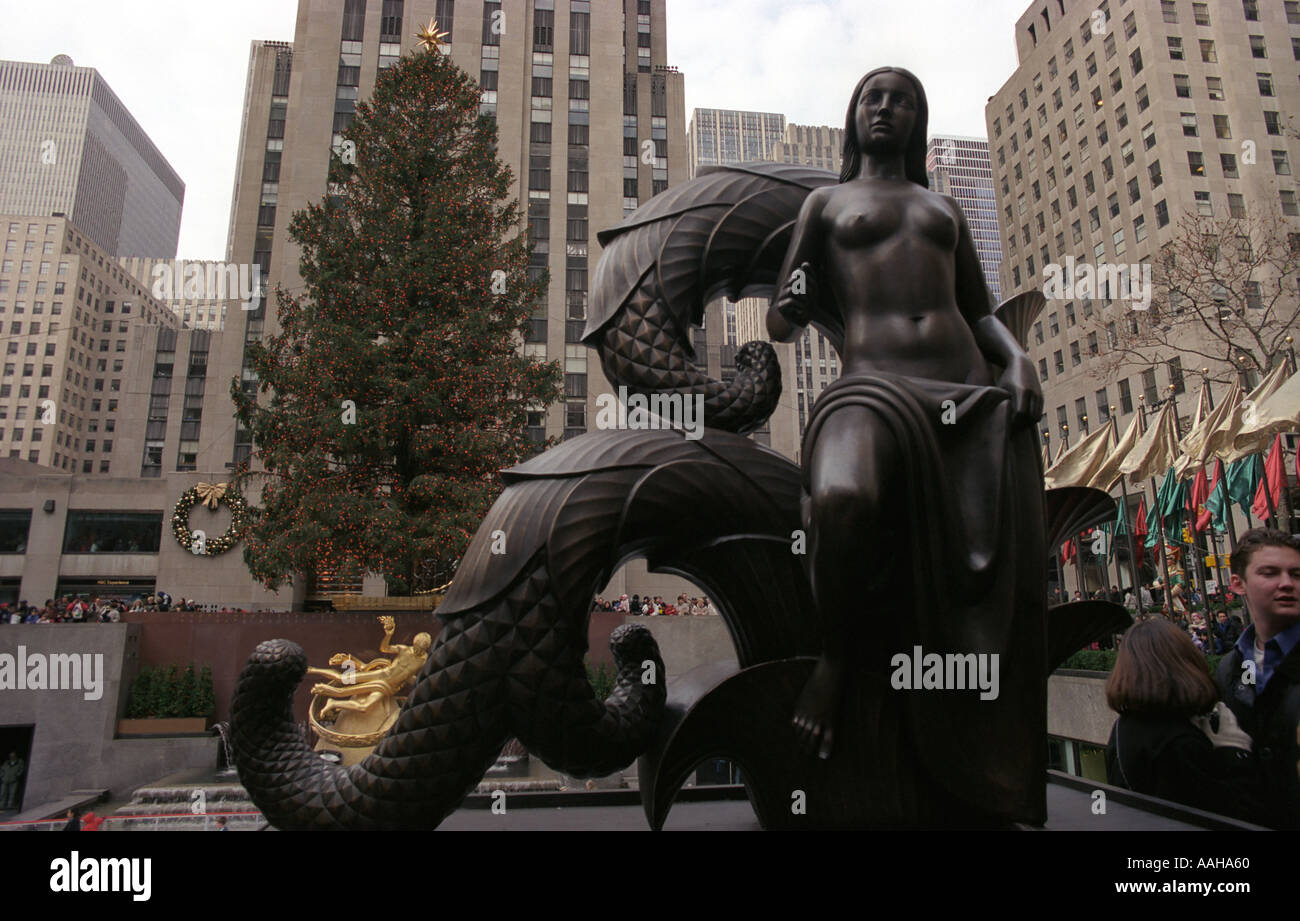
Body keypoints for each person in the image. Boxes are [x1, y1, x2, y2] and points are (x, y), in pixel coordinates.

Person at [766, 63, 1045, 811]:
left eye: (902, 101)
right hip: (873, 384)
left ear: (918, 122)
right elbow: (780, 323)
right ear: (853, 114)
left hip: (963, 388)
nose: (885, 108)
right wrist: (791, 295)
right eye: (873, 98)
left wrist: (1016, 358)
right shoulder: (825, 203)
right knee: (843, 496)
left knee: (983, 557)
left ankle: (962, 732)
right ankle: (835, 658)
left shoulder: (942, 204)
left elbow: (980, 311)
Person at [1104, 617, 1269, 825]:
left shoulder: (1121, 729)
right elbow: (1239, 815)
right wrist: (1236, 751)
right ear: (1183, 661)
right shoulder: (1179, 743)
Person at [1214, 528, 1300, 829]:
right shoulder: (1231, 668)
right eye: (1270, 573)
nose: (1287, 584)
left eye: (1296, 574)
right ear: (1238, 584)